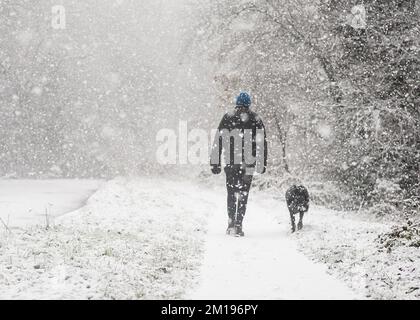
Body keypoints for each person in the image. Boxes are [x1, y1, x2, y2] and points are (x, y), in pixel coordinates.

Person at [210, 92, 267, 237]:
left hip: (231, 162)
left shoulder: (228, 117)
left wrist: (215, 162)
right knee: (243, 194)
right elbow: (262, 143)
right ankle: (239, 224)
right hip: (248, 163)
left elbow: (219, 140)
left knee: (231, 193)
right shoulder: (255, 119)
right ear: (249, 104)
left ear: (237, 104)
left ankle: (231, 224)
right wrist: (261, 163)